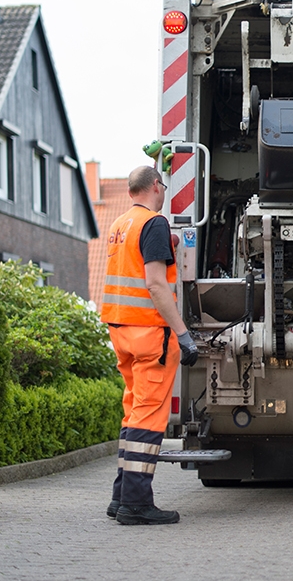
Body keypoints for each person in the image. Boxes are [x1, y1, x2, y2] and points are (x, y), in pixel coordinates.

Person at [100, 165, 199, 525]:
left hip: (121, 330)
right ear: (156, 186)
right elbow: (156, 284)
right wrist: (183, 334)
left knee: (133, 411)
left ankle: (120, 498)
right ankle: (136, 504)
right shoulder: (154, 223)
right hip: (150, 334)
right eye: (164, 187)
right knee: (148, 416)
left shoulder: (120, 225)